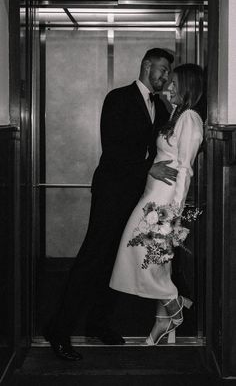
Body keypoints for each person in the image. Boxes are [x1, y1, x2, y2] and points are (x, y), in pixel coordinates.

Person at [44, 48, 177, 360]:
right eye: (162, 69)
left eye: (168, 72)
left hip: (138, 197)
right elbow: (113, 147)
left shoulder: (159, 105)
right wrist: (149, 168)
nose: (165, 76)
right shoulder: (118, 98)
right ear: (147, 65)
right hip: (111, 193)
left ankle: (97, 322)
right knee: (92, 260)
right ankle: (58, 329)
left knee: (115, 263)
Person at [110, 63, 204, 345]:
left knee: (143, 256)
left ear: (187, 86)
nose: (168, 86)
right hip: (151, 196)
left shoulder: (189, 118)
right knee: (152, 259)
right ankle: (164, 318)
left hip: (163, 203)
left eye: (174, 82)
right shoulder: (176, 114)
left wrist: (173, 212)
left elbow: (185, 170)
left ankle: (173, 305)